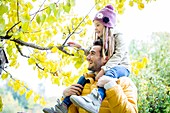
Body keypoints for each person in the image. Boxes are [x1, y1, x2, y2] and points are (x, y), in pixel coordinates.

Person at [43, 39, 138, 113]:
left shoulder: (123, 82)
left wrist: (112, 87)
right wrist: (65, 96)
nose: (87, 58)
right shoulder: (84, 83)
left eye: (92, 54)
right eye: (88, 54)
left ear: (105, 58)